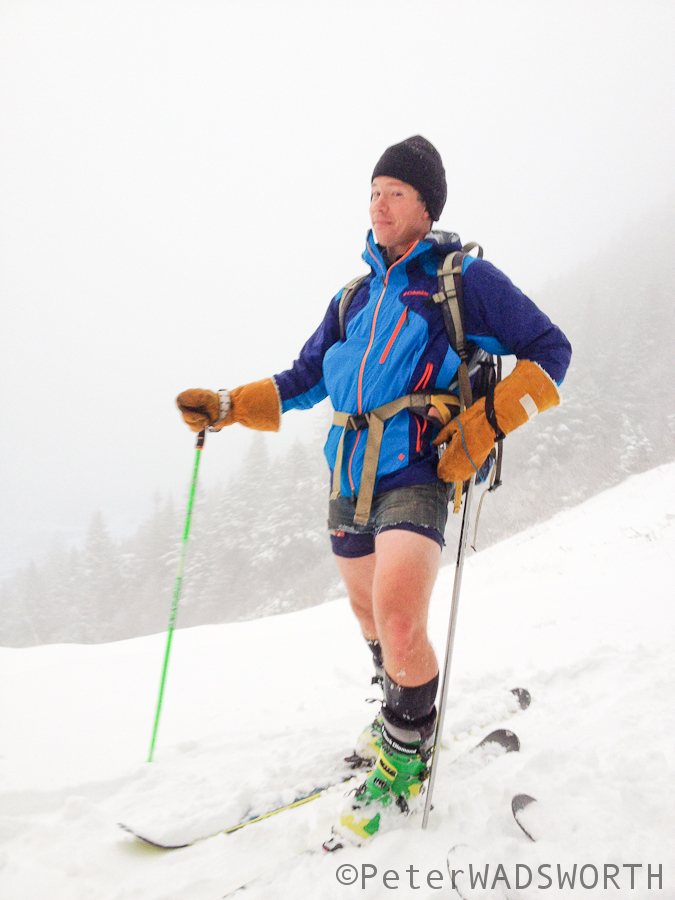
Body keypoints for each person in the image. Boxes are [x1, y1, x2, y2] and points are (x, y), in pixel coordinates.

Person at [176, 135, 572, 845]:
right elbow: (304, 379)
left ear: (425, 206)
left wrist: (483, 425)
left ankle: (403, 762)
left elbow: (551, 350)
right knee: (367, 615)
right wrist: (229, 405)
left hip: (419, 465)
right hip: (348, 466)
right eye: (372, 190)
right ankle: (397, 703)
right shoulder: (352, 296)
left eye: (394, 192)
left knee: (395, 616)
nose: (378, 204)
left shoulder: (460, 279)